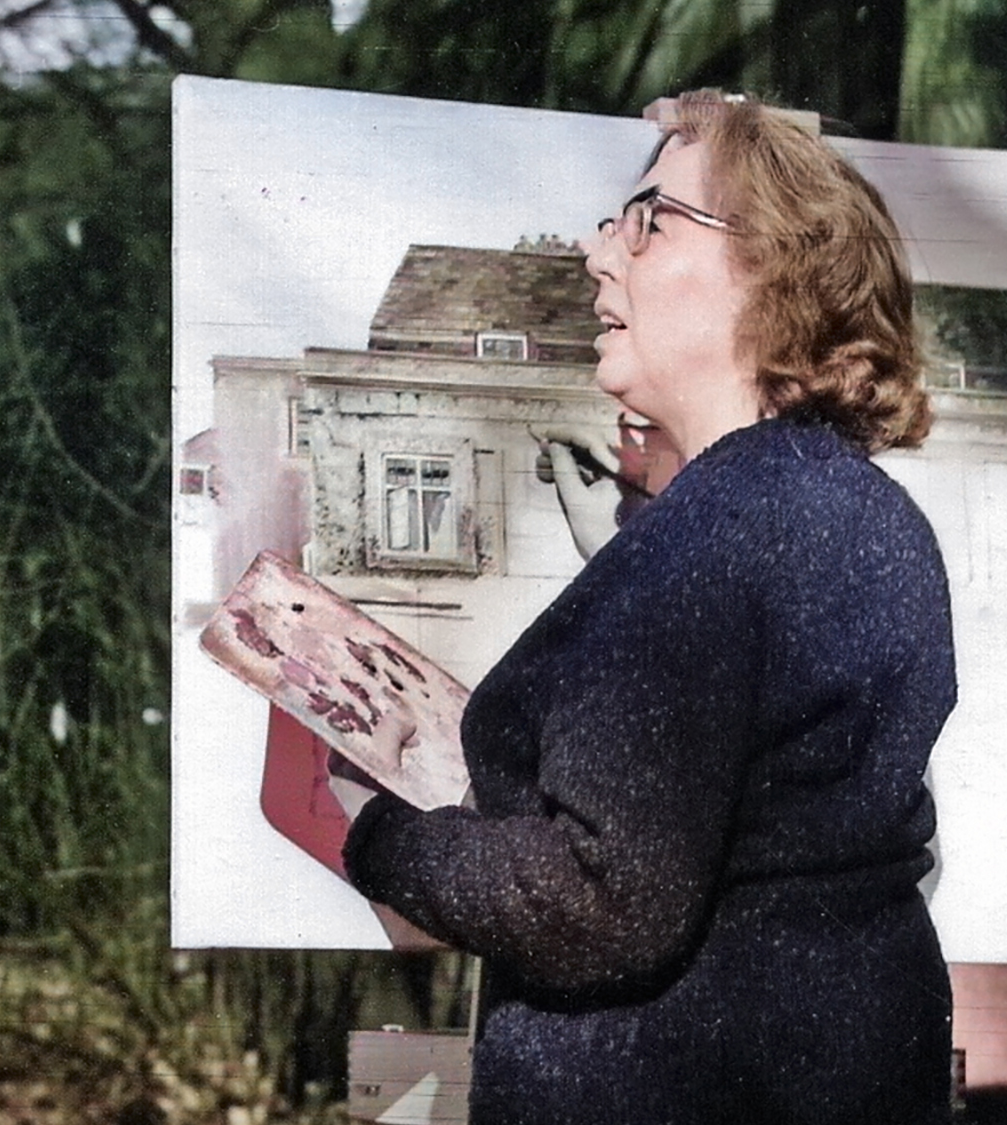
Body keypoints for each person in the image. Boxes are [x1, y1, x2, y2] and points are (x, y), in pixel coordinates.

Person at [341, 90, 956, 1124]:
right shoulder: (869, 512)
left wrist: (378, 837)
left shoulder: (714, 532)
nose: (595, 252)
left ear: (769, 273)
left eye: (648, 220)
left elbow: (600, 896)